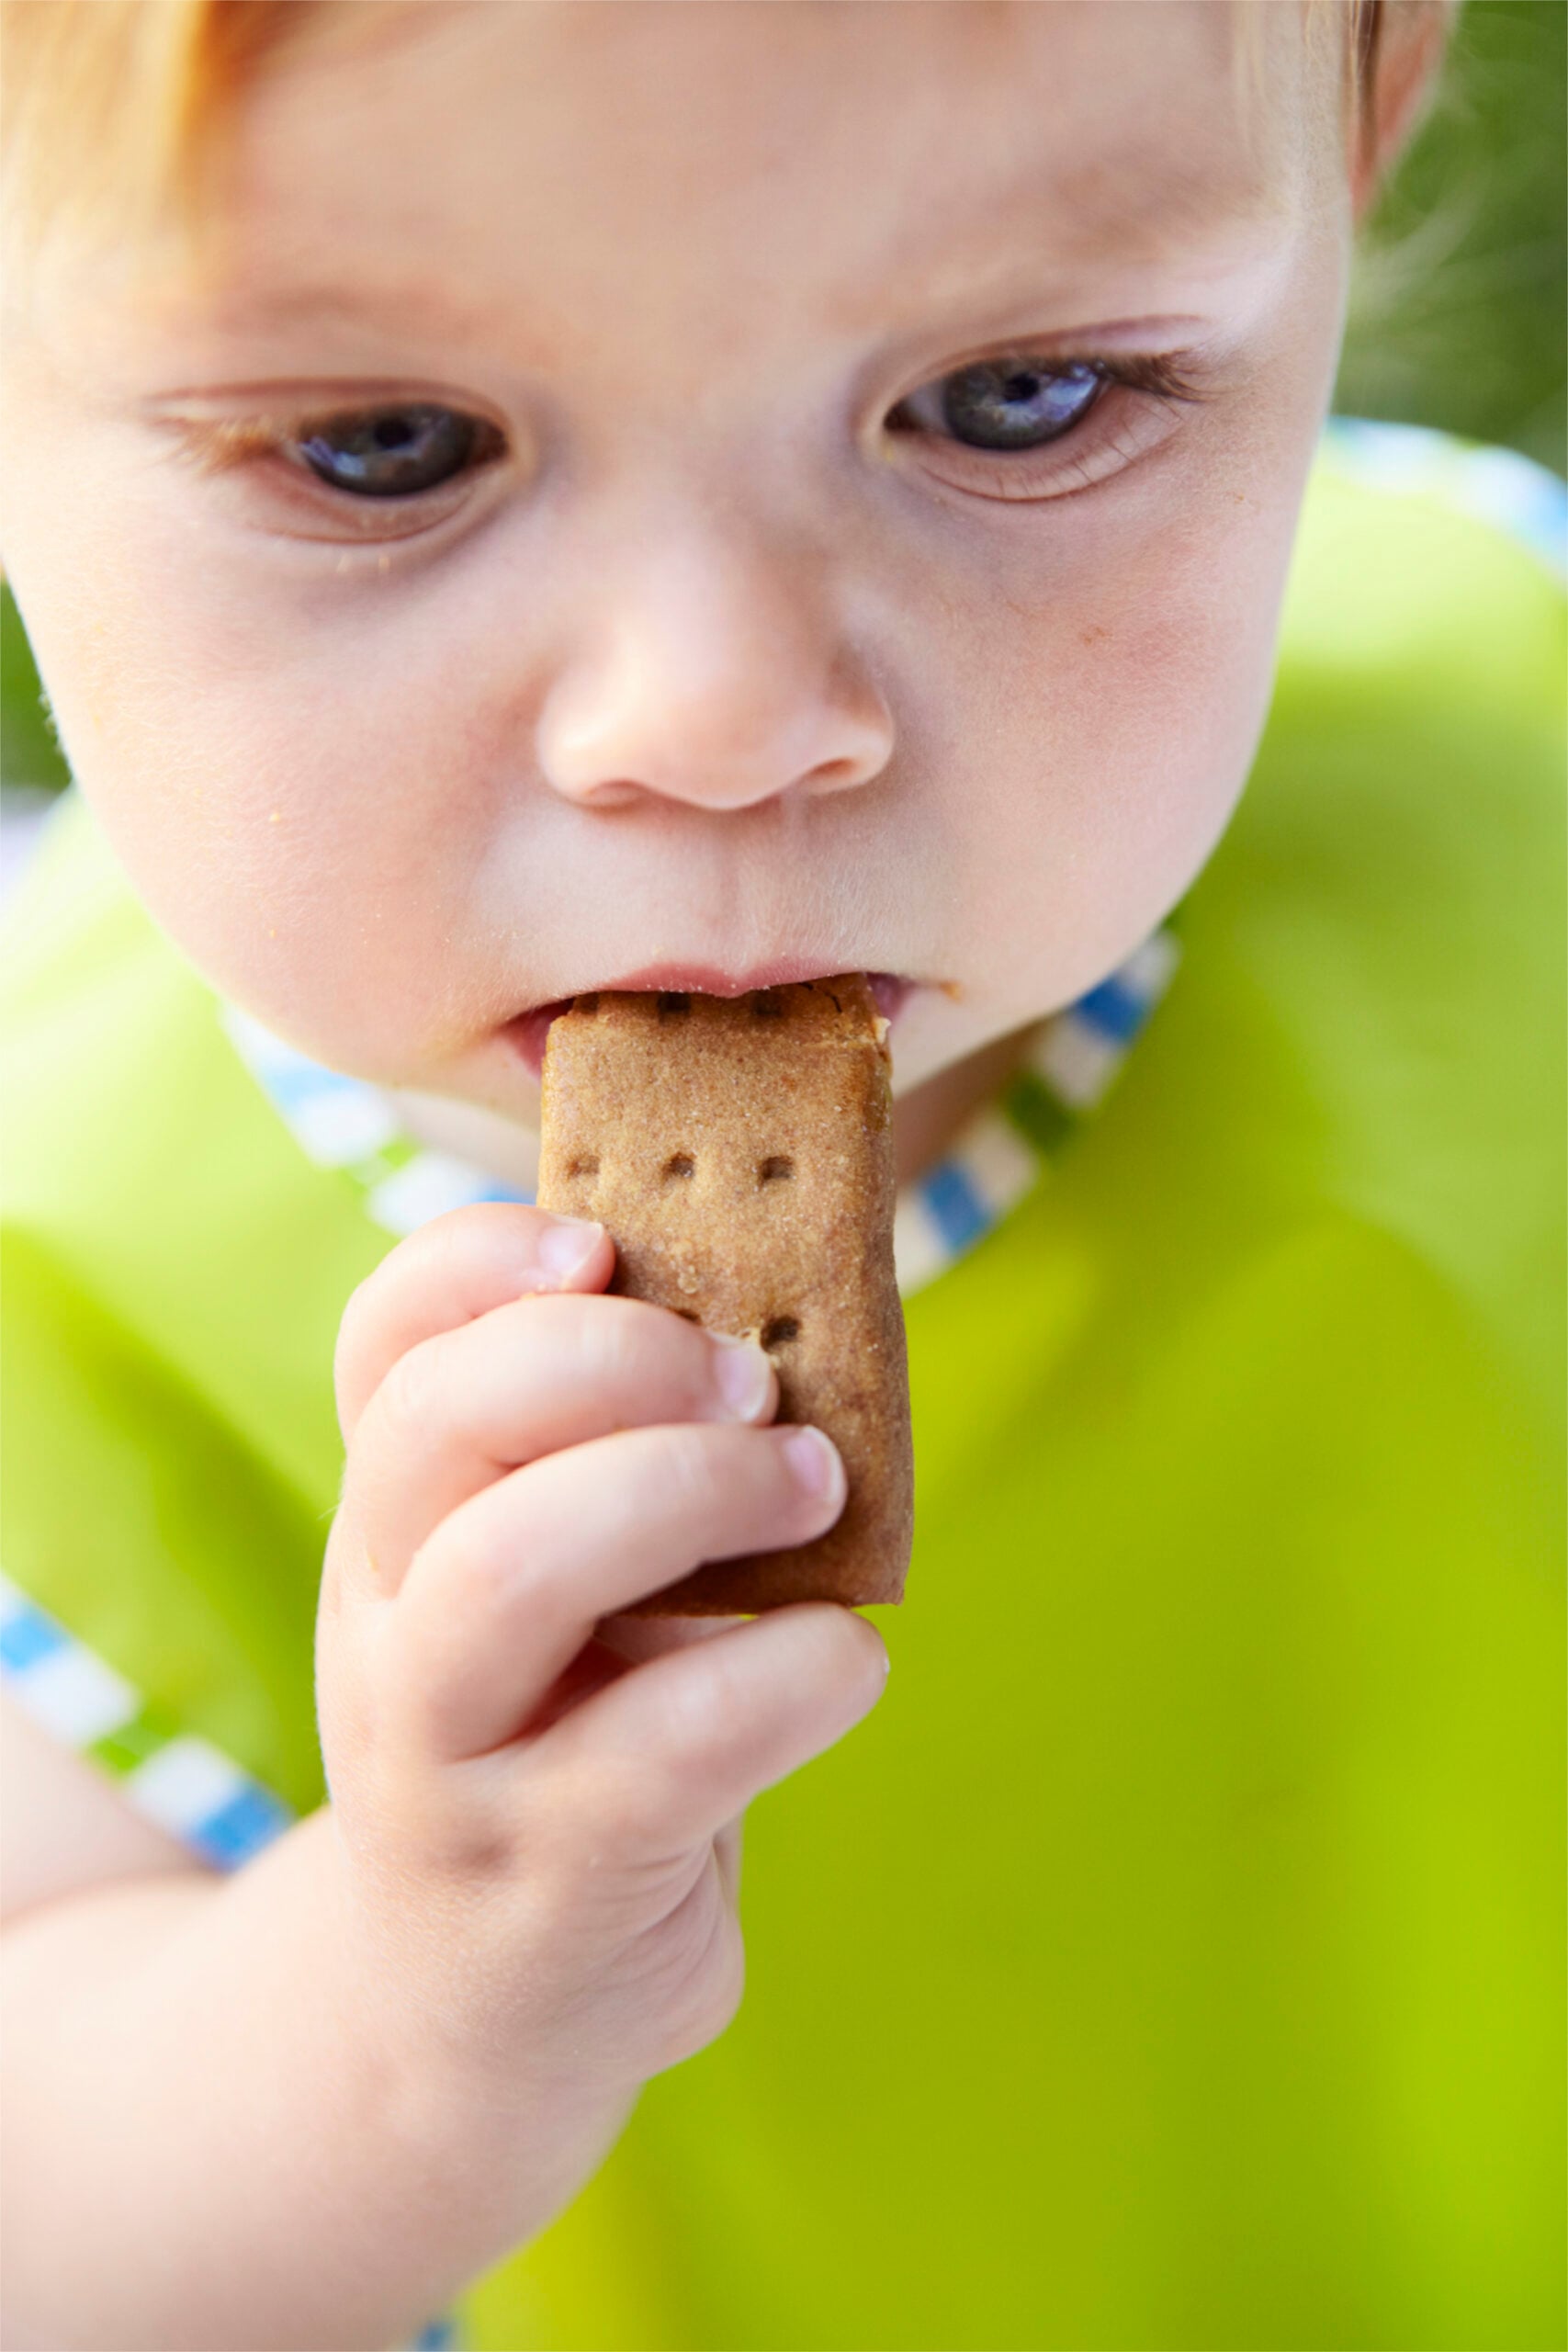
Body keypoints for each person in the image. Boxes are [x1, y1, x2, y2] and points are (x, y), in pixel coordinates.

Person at [0, 1, 1561, 2345]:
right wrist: (399, 2020)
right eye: (382, 444)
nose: (718, 716)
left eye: (1016, 396)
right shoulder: (59, 1296)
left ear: (1345, 165)